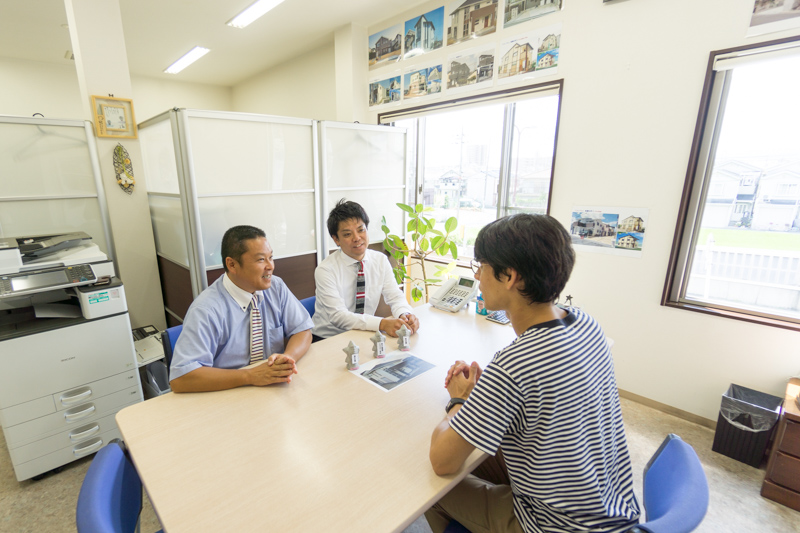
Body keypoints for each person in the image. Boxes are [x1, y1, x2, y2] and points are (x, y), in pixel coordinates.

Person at [426, 214, 640, 533]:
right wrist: (490, 396)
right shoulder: (587, 324)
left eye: (481, 266)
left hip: (556, 525)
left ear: (510, 276)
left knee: (431, 490)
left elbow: (442, 461)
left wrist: (460, 400)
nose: (478, 276)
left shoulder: (514, 365)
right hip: (610, 508)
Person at [169, 225, 313, 393]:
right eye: (261, 260)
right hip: (227, 393)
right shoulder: (206, 309)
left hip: (272, 387)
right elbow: (181, 378)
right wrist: (249, 376)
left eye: (271, 257)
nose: (270, 266)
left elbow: (303, 329)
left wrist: (287, 358)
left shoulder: (276, 287)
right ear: (232, 264)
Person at [312, 199, 419, 340]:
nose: (357, 238)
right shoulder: (325, 270)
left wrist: (405, 314)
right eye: (347, 234)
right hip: (327, 338)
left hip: (364, 333)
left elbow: (395, 296)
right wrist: (382, 323)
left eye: (361, 230)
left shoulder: (380, 260)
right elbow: (338, 316)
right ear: (336, 239)